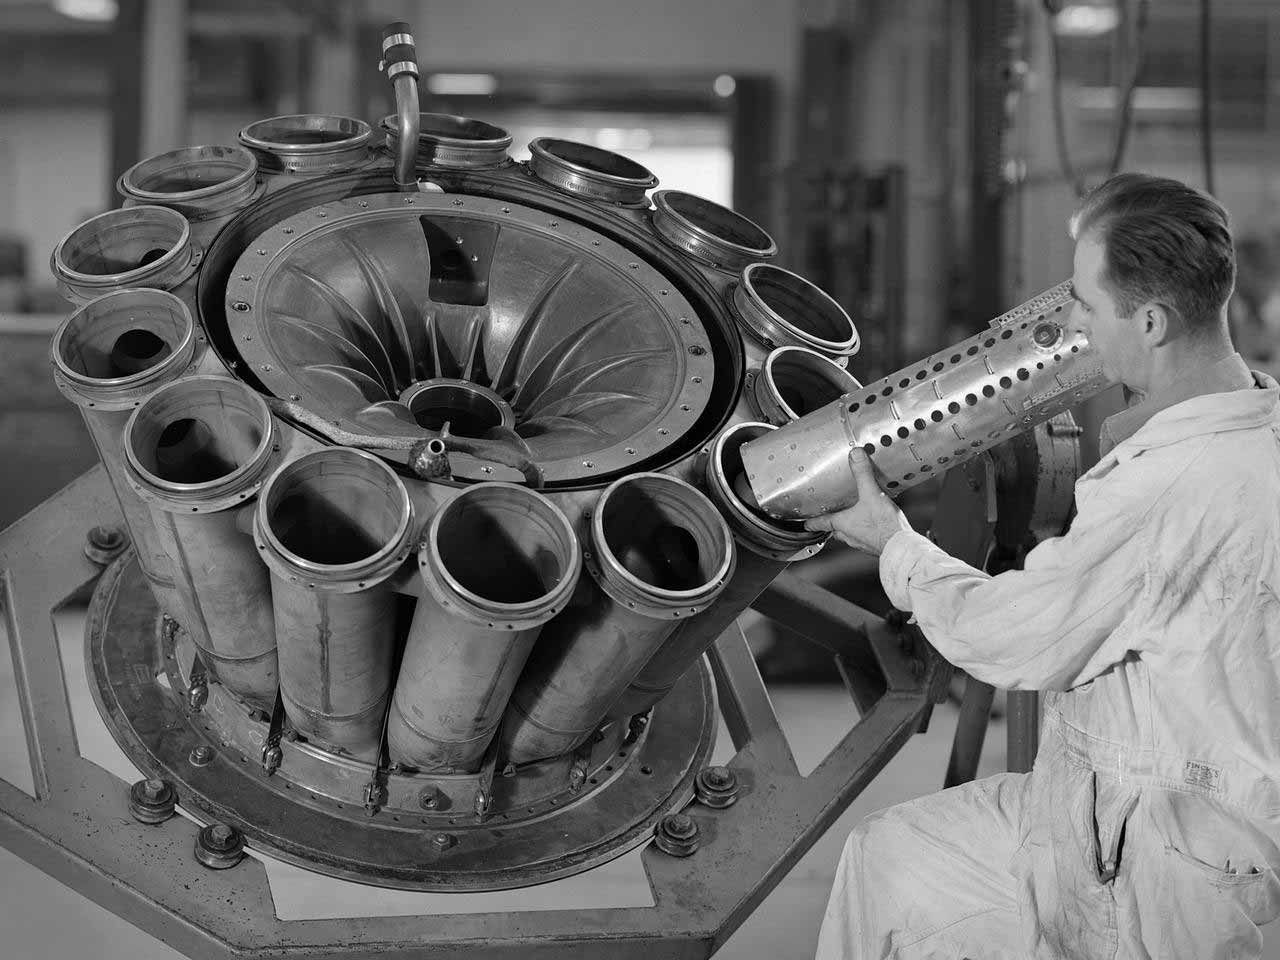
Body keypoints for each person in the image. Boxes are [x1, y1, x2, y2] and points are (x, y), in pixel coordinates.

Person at [807, 172, 1280, 960]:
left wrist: (892, 544)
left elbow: (1019, 638)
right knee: (891, 859)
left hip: (1161, 842)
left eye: (1088, 306)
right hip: (1131, 793)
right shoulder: (1257, 424)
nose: (1076, 327)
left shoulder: (1170, 484)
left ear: (1153, 322)